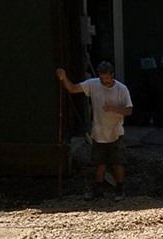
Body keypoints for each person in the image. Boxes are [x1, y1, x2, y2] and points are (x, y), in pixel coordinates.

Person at [56, 61, 133, 201]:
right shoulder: (93, 84)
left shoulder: (122, 89)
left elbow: (129, 110)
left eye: (108, 79)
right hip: (98, 132)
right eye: (103, 79)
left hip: (116, 131)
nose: (105, 82)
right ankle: (98, 189)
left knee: (118, 162)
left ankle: (120, 189)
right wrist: (64, 77)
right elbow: (72, 89)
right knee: (99, 162)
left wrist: (114, 109)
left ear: (112, 75)